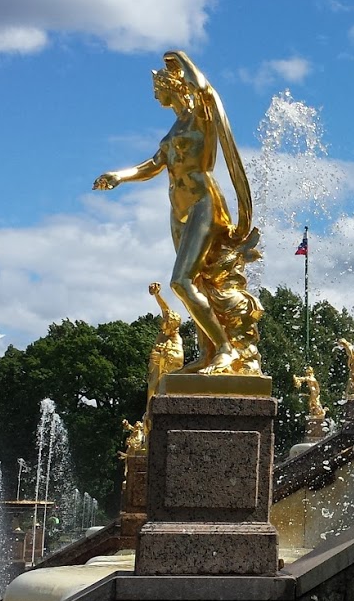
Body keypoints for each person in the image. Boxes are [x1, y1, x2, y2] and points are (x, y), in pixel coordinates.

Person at [95, 52, 263, 376]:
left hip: (205, 204)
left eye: (157, 87)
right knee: (197, 283)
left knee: (181, 282)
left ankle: (227, 349)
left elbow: (203, 88)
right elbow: (153, 165)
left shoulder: (200, 114)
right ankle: (209, 352)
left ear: (172, 85)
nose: (155, 94)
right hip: (179, 212)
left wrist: (181, 58)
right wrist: (119, 175)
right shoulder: (173, 130)